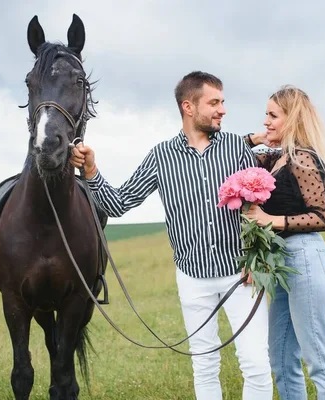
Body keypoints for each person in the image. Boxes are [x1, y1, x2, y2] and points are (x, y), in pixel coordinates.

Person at [70, 71, 273, 400]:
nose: (223, 109)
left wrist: (257, 257)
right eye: (215, 102)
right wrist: (91, 171)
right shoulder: (160, 157)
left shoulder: (237, 147)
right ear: (188, 107)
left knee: (256, 364)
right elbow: (119, 203)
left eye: (223, 102)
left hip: (242, 276)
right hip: (192, 279)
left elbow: (258, 204)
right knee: (205, 366)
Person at [244, 85, 325, 399]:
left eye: (273, 115)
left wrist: (270, 220)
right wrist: (255, 138)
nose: (266, 122)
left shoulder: (302, 158)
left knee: (320, 365)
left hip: (306, 261)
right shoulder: (274, 159)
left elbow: (322, 216)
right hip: (282, 268)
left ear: (293, 119)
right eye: (266, 115)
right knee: (281, 359)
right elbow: (231, 150)